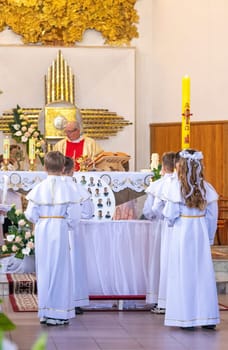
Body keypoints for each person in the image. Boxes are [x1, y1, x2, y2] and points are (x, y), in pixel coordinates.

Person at [162, 149, 220, 330]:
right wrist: (209, 237)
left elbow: (170, 215)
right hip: (200, 231)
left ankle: (186, 318)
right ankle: (207, 318)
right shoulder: (206, 188)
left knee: (182, 273)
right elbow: (212, 216)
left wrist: (172, 222)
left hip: (182, 231)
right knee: (203, 274)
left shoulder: (176, 187)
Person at [24, 151, 82, 326]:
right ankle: (58, 313)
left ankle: (45, 311)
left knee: (44, 269)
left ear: (45, 167)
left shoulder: (38, 188)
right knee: (60, 269)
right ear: (63, 167)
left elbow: (30, 214)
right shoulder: (69, 189)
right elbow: (74, 216)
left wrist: (42, 221)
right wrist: (67, 225)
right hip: (60, 228)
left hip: (42, 229)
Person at [144, 152, 175, 313]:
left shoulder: (159, 185)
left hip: (161, 226)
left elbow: (150, 210)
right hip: (180, 226)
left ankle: (160, 299)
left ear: (163, 167)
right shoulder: (182, 183)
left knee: (160, 261)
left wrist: (154, 217)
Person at [62, 156, 94, 315]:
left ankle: (59, 300)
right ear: (73, 170)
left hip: (57, 229)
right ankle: (76, 300)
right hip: (75, 232)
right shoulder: (79, 190)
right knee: (75, 263)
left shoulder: (50, 188)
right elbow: (88, 213)